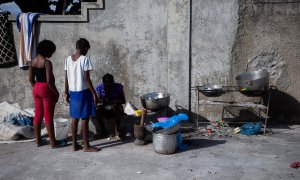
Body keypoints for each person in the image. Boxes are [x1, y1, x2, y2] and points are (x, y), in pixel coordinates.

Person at [64, 38, 99, 152]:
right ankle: (86, 146)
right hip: (83, 91)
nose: (87, 52)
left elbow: (66, 77)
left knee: (75, 118)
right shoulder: (85, 59)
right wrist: (94, 93)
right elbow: (86, 79)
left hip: (73, 92)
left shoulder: (68, 59)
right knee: (85, 118)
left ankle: (74, 145)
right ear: (84, 48)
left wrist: (66, 91)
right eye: (87, 49)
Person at [29, 39, 59, 148]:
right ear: (46, 51)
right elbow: (50, 81)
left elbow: (30, 79)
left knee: (38, 114)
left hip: (36, 88)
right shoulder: (47, 63)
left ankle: (38, 141)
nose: (52, 54)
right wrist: (56, 93)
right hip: (46, 89)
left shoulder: (32, 61)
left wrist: (36, 87)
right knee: (48, 115)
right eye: (51, 51)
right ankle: (53, 142)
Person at [95, 73, 126, 140]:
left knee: (117, 108)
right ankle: (104, 132)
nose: (108, 87)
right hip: (104, 108)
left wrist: (116, 101)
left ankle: (116, 131)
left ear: (113, 82)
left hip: (115, 108)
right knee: (97, 111)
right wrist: (102, 101)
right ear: (103, 84)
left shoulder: (118, 87)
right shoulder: (100, 87)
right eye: (106, 86)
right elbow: (97, 101)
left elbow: (123, 101)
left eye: (110, 86)